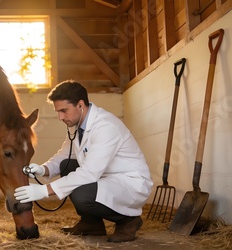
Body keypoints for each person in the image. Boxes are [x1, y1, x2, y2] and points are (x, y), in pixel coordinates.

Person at [14, 80, 153, 243]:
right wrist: (42, 169)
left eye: (64, 111)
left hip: (129, 183)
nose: (60, 117)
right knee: (68, 165)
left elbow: (89, 173)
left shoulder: (106, 126)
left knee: (82, 194)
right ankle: (92, 223)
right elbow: (63, 157)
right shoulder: (77, 127)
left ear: (80, 105)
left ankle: (128, 221)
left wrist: (45, 191)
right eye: (58, 112)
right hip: (105, 179)